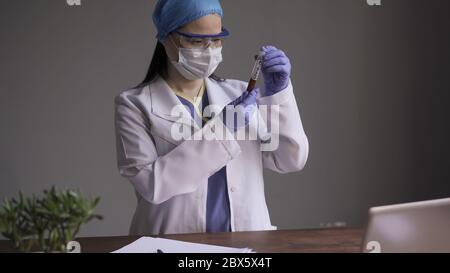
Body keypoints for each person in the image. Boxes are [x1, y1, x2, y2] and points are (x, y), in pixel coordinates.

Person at [114, 0, 309, 235]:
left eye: (216, 39)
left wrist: (279, 95)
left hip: (245, 241)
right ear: (166, 38)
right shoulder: (134, 104)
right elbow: (151, 185)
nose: (208, 49)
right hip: (171, 242)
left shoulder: (240, 95)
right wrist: (222, 129)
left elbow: (289, 159)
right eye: (196, 41)